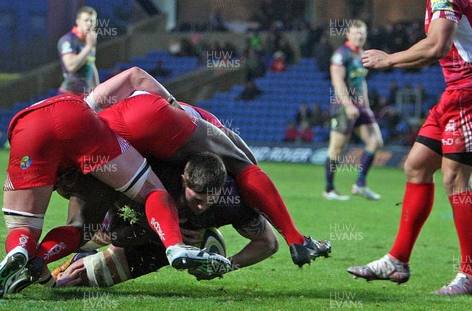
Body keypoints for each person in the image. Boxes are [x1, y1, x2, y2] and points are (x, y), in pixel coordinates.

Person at [348, 0, 472, 295]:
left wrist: (389, 59)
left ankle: (470, 276)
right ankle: (397, 260)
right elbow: (432, 55)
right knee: (417, 165)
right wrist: (399, 60)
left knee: (456, 178)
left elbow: (436, 46)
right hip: (458, 91)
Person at [0, 98, 231, 298]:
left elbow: (134, 75)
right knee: (150, 193)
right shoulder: (196, 137)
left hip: (28, 127)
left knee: (25, 228)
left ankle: (21, 249)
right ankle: (175, 246)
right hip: (78, 116)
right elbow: (136, 75)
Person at [85, 67, 331, 267]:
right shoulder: (89, 108)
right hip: (152, 117)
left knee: (139, 193)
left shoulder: (85, 135)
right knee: (244, 163)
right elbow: (134, 74)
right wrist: (171, 103)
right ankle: (295, 239)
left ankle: (163, 242)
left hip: (118, 142)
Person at [51, 153, 279, 287]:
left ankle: (84, 262)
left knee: (79, 281)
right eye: (197, 199)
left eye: (210, 200)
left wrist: (227, 265)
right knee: (94, 237)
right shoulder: (157, 178)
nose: (202, 207)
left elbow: (268, 243)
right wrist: (165, 233)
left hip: (159, 249)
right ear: (183, 182)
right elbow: (113, 191)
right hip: (127, 220)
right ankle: (76, 253)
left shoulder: (234, 202)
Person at [323, 20, 383, 201]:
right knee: (337, 148)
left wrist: (366, 106)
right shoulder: (341, 54)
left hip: (360, 107)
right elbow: (338, 81)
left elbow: (361, 82)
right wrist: (348, 104)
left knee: (375, 141)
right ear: (348, 35)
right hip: (343, 106)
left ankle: (360, 184)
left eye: (362, 33)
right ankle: (329, 189)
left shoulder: (363, 54)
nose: (359, 36)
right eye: (356, 33)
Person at [57, 6, 99, 96]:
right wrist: (88, 47)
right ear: (78, 21)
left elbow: (91, 65)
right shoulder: (68, 39)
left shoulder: (89, 40)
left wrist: (98, 91)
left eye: (92, 21)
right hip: (69, 94)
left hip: (85, 94)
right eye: (86, 20)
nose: (89, 24)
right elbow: (71, 66)